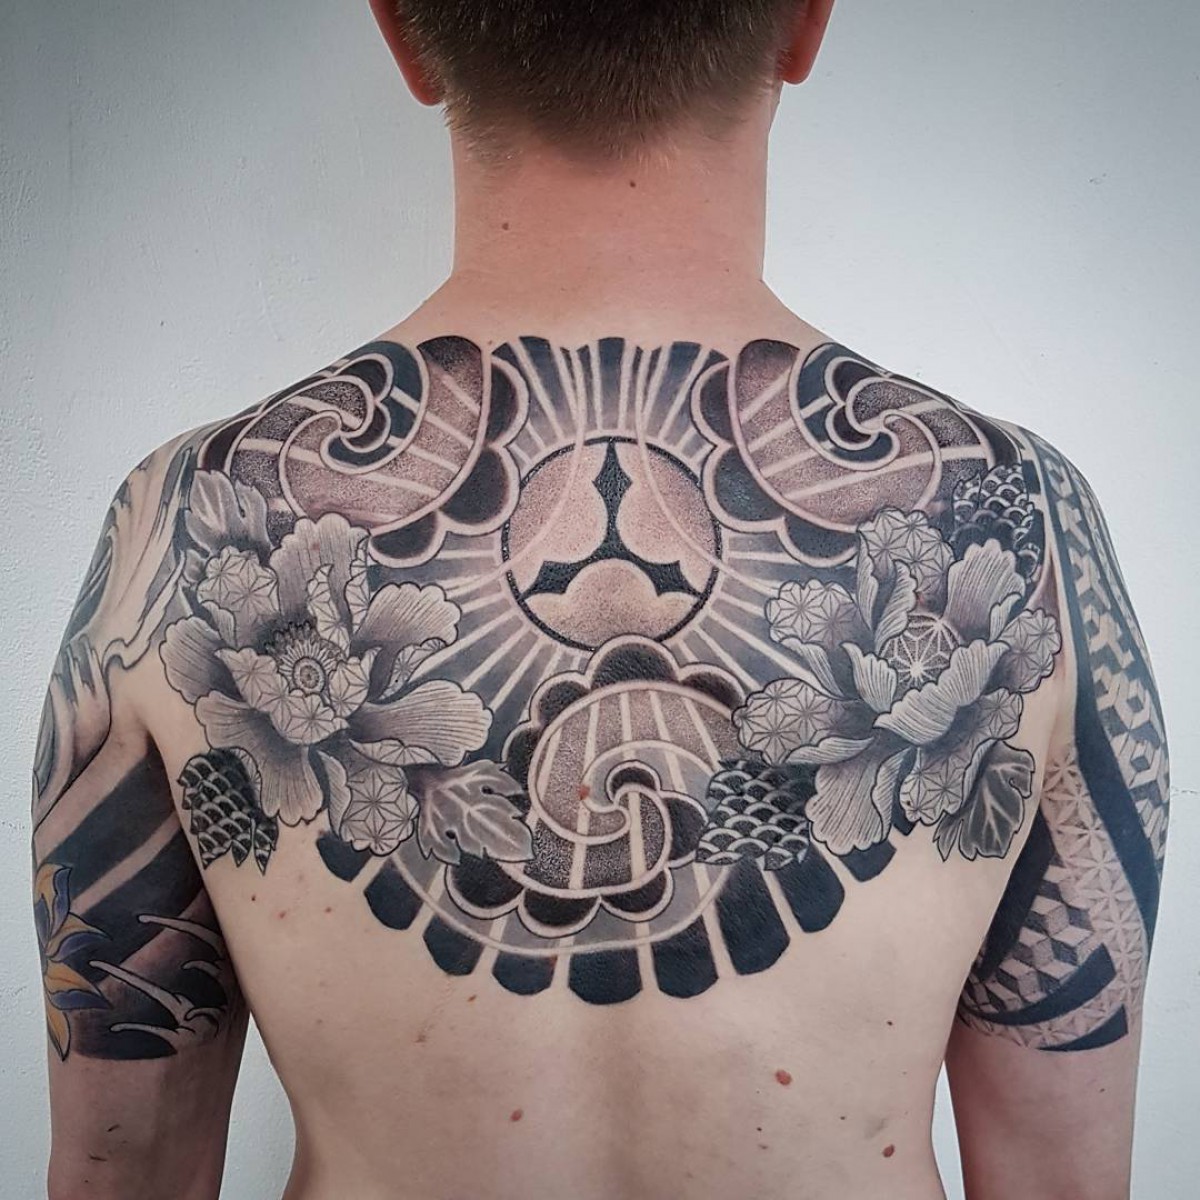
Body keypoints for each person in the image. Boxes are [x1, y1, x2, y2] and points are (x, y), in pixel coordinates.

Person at [31, 3, 1170, 1198]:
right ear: (807, 24)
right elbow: (1061, 1179)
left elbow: (121, 1171)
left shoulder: (181, 525)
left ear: (402, 32)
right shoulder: (1021, 518)